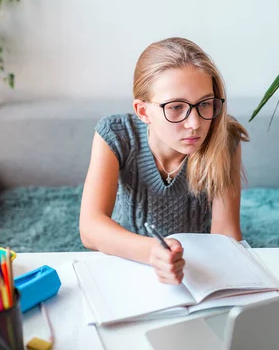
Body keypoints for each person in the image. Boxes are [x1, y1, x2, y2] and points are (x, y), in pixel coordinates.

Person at [79, 37, 249, 285]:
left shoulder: (223, 136)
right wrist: (152, 253)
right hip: (131, 259)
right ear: (143, 111)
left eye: (205, 104)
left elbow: (225, 235)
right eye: (176, 107)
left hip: (196, 263)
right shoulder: (115, 135)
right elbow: (90, 229)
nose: (195, 124)